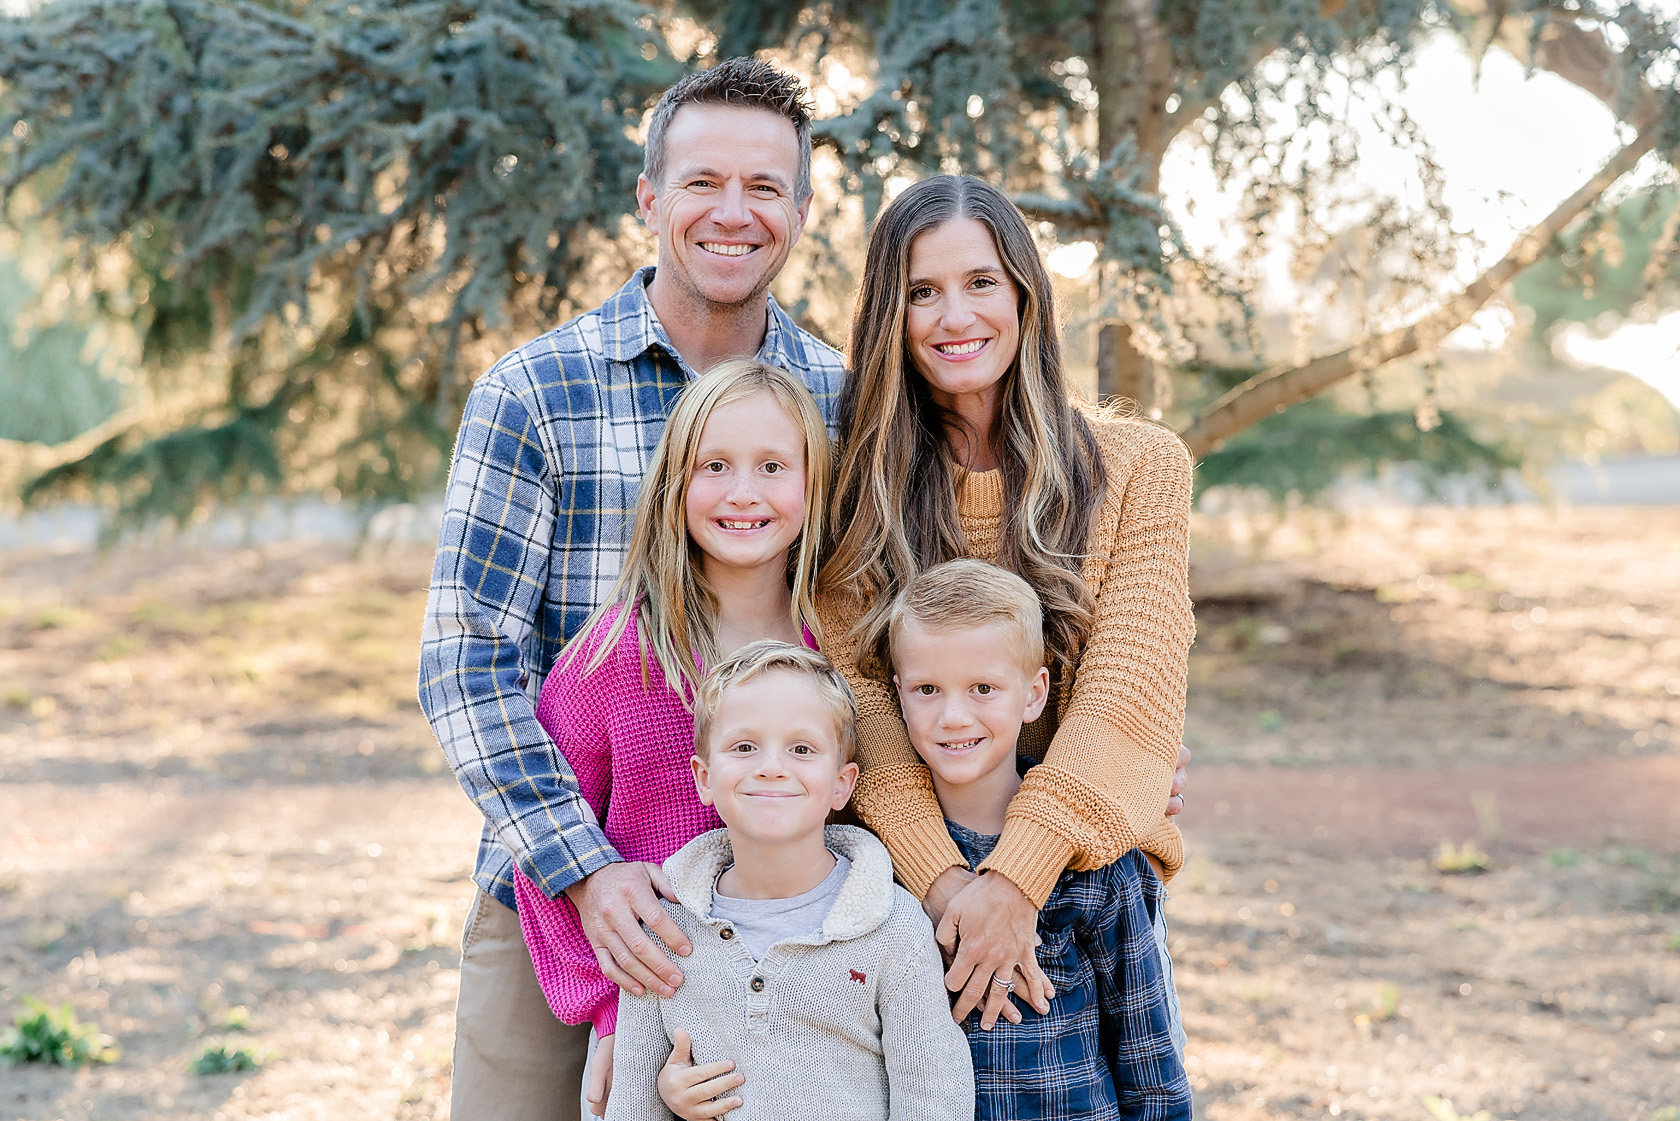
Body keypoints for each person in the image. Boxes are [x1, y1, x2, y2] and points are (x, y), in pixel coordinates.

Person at [417, 58, 845, 1121]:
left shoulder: (843, 399)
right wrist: (588, 870)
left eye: (765, 187)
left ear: (801, 211)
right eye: (703, 182)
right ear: (650, 198)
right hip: (560, 895)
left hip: (787, 908)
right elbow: (467, 663)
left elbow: (901, 632)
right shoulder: (534, 391)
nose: (733, 213)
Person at [818, 173, 1195, 1047]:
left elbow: (1127, 695)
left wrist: (1017, 880)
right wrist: (951, 886)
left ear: (1026, 294)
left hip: (1091, 887)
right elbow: (864, 705)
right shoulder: (852, 486)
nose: (955, 316)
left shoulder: (1142, 467)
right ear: (890, 315)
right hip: (910, 898)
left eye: (981, 282)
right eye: (922, 291)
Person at [511, 358, 831, 1115]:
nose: (744, 491)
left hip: (819, 1016)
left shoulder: (840, 644)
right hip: (667, 1031)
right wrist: (612, 1011)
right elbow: (541, 851)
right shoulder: (613, 658)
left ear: (813, 483)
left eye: (773, 466)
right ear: (674, 485)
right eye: (714, 466)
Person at [609, 640, 975, 1121]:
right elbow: (631, 1104)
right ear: (704, 777)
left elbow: (934, 1098)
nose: (772, 768)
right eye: (744, 747)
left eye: (801, 749)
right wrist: (669, 1099)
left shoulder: (893, 927)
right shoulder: (662, 926)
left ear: (842, 784)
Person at [884, 558, 1191, 1120]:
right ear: (898, 695)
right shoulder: (877, 860)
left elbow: (1148, 1056)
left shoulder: (1093, 857)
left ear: (1033, 694)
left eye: (983, 689)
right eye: (928, 689)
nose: (954, 716)